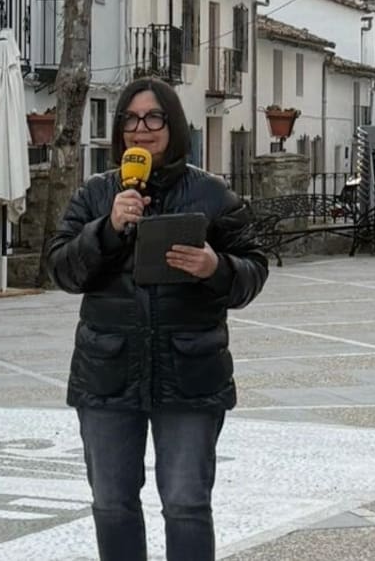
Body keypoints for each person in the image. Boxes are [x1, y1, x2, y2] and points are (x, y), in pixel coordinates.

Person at [45, 77, 269, 561]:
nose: (140, 129)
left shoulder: (213, 195)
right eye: (130, 118)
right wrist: (106, 229)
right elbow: (61, 269)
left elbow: (254, 270)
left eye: (153, 118)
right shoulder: (95, 195)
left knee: (187, 504)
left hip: (189, 374)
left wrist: (217, 268)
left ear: (173, 125)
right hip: (107, 374)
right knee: (111, 503)